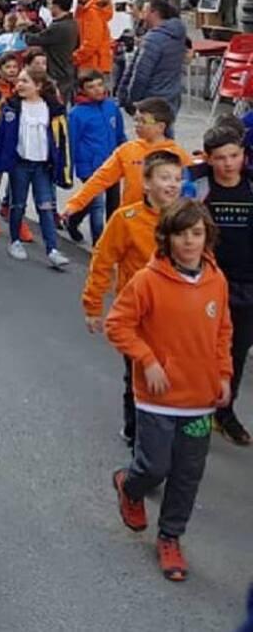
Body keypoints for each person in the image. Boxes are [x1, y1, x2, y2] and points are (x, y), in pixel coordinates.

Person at [107, 199, 232, 583]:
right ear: (167, 237)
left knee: (188, 474)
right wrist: (147, 360)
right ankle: (131, 486)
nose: (190, 242)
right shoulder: (147, 281)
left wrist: (224, 375)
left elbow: (223, 332)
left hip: (199, 400)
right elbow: (118, 324)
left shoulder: (217, 281)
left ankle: (170, 536)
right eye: (181, 234)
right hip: (157, 399)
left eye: (197, 233)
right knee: (154, 467)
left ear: (208, 237)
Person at [82, 150, 184, 448]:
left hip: (178, 316)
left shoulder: (188, 217)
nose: (172, 185)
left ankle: (168, 426)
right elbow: (102, 261)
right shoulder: (126, 219)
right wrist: (93, 305)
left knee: (174, 373)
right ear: (147, 182)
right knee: (139, 375)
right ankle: (136, 431)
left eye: (177, 179)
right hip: (138, 316)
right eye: (165, 178)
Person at [193, 126, 253, 445]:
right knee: (201, 350)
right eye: (220, 158)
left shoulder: (251, 186)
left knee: (237, 352)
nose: (228, 164)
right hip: (207, 285)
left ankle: (225, 412)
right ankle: (195, 411)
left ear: (244, 155)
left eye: (234, 156)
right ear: (209, 158)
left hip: (246, 286)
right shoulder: (197, 185)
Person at [0, 68, 71, 267]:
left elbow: (61, 139)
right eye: (18, 81)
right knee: (18, 204)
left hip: (43, 166)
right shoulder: (13, 107)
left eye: (25, 81)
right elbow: (1, 138)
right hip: (20, 164)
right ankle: (15, 241)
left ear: (38, 86)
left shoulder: (50, 109)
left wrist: (62, 167)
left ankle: (52, 249)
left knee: (46, 206)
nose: (19, 85)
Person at [63, 97, 191, 221]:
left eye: (143, 121)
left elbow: (191, 190)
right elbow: (101, 178)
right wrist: (75, 204)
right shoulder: (127, 151)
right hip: (131, 219)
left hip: (165, 221)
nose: (137, 125)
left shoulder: (178, 155)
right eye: (136, 120)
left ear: (161, 127)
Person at [66, 70, 128, 245]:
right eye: (91, 87)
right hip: (91, 166)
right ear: (82, 90)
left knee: (113, 203)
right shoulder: (77, 114)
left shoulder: (111, 107)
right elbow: (72, 143)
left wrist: (126, 155)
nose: (97, 90)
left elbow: (120, 135)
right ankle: (99, 244)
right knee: (96, 205)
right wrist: (71, 169)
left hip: (113, 163)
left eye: (100, 85)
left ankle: (75, 220)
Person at [117, 0, 188, 114]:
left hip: (151, 100)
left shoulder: (154, 39)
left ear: (154, 13)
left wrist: (131, 100)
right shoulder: (177, 33)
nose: (142, 16)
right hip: (172, 97)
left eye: (145, 12)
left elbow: (140, 74)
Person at [24, 0, 79, 103]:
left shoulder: (59, 27)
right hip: (67, 71)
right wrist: (32, 27)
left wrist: (22, 31)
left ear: (57, 6)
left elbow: (35, 39)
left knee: (56, 105)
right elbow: (47, 35)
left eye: (50, 3)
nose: (48, 7)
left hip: (57, 73)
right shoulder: (71, 23)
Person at [72, 0, 114, 80]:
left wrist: (74, 58)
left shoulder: (92, 12)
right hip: (91, 63)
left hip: (93, 65)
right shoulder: (85, 9)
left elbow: (91, 42)